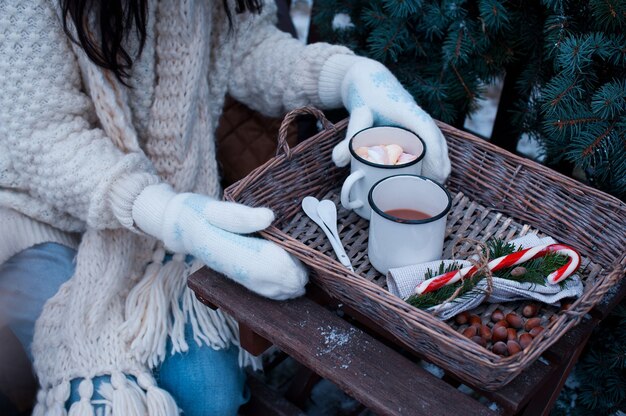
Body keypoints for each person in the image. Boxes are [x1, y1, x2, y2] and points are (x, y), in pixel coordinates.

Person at [0, 0, 451, 414]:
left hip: (172, 224)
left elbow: (244, 46)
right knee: (103, 401)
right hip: (49, 220)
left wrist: (348, 75)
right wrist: (170, 215)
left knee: (210, 398)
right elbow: (43, 135)